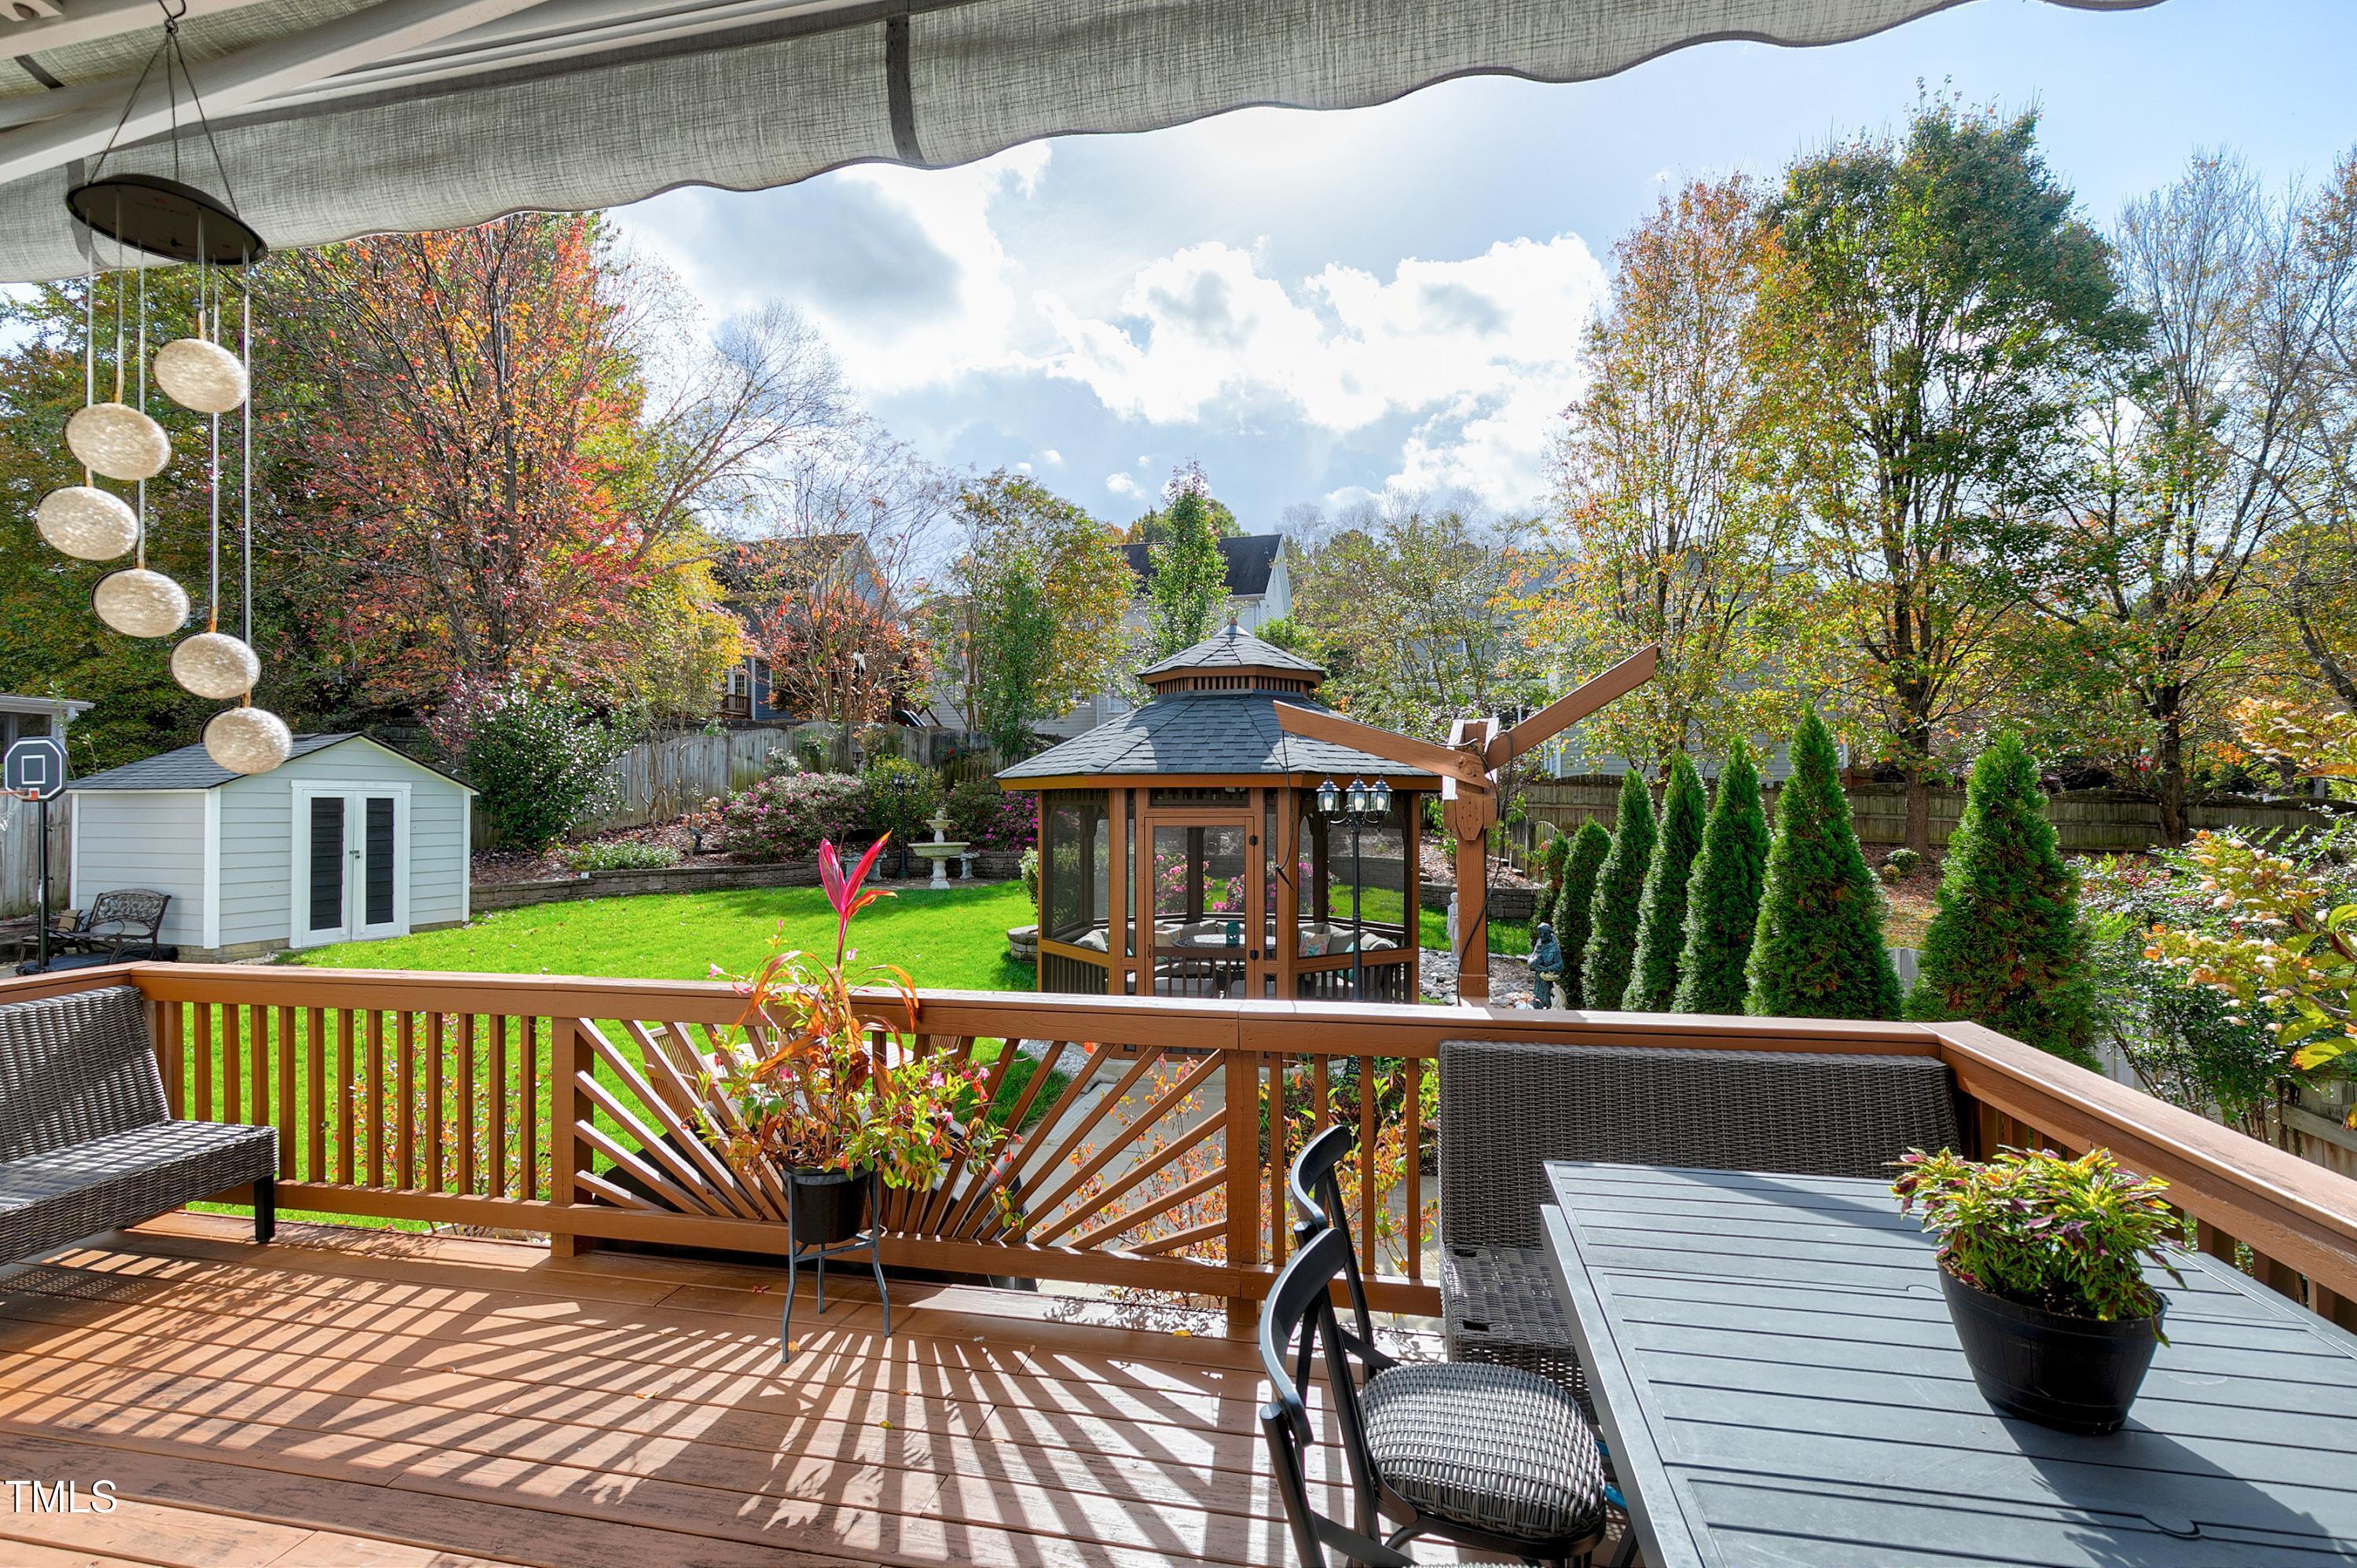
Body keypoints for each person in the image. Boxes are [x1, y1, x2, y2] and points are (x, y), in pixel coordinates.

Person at [1527, 919, 1564, 1009]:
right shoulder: (1539, 943)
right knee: (1537, 1000)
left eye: (1545, 933)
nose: (1542, 936)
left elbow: (1559, 965)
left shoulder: (1554, 947)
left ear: (1549, 933)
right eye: (1540, 933)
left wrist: (1546, 969)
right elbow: (1532, 958)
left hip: (1549, 981)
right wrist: (1532, 962)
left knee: (1548, 1000)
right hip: (1539, 979)